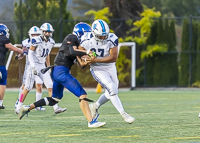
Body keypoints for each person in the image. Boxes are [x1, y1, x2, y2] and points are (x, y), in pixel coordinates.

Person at [18, 22, 106, 128]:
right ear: (82, 32)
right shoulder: (71, 37)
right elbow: (72, 50)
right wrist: (87, 52)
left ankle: (28, 108)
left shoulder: (77, 45)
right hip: (61, 71)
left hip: (58, 72)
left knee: (54, 99)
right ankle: (91, 122)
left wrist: (89, 61)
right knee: (82, 94)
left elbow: (81, 65)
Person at [79, 19, 135, 124]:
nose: (104, 37)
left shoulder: (112, 38)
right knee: (112, 89)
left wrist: (96, 59)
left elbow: (113, 57)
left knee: (112, 91)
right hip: (97, 68)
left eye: (105, 35)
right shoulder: (86, 39)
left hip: (110, 66)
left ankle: (95, 106)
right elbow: (79, 51)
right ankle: (124, 114)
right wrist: (85, 59)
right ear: (94, 33)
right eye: (101, 36)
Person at [15, 23, 67, 114]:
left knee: (50, 86)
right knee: (27, 87)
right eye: (46, 32)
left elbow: (47, 55)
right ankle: (18, 106)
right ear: (42, 32)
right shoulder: (36, 40)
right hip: (34, 65)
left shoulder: (51, 42)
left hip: (42, 66)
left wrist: (49, 66)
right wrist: (33, 65)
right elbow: (30, 53)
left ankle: (56, 107)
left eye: (49, 32)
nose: (47, 34)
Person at [15, 26, 46, 112]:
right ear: (30, 35)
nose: (35, 35)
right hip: (29, 67)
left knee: (39, 84)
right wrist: (19, 56)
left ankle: (37, 105)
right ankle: (19, 101)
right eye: (33, 34)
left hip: (39, 66)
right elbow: (25, 53)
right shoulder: (26, 42)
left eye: (37, 34)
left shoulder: (43, 41)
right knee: (25, 86)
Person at [0, 23, 25, 109]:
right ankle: (0, 103)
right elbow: (12, 47)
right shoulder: (3, 38)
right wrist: (23, 52)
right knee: (2, 83)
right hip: (0, 65)